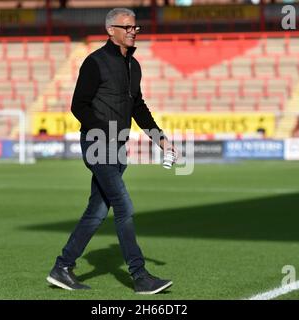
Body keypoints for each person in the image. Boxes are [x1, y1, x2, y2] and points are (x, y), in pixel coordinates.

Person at [47, 8, 175, 294]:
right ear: (110, 30)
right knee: (124, 206)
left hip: (118, 146)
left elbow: (138, 108)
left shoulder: (134, 65)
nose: (133, 31)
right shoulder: (94, 63)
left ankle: (62, 267)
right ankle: (139, 275)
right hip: (97, 143)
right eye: (127, 27)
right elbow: (78, 105)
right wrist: (100, 130)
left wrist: (160, 139)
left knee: (97, 210)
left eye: (135, 27)